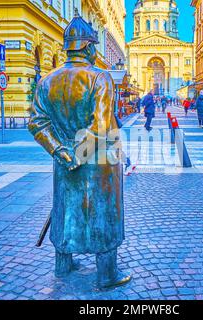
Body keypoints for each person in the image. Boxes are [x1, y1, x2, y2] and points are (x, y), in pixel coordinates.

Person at [28, 10, 131, 289]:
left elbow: (37, 122)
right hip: (98, 162)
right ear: (87, 46)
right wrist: (80, 154)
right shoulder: (101, 78)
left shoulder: (46, 81)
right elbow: (100, 126)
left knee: (65, 208)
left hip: (63, 159)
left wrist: (60, 150)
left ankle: (63, 264)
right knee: (104, 213)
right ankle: (107, 275)